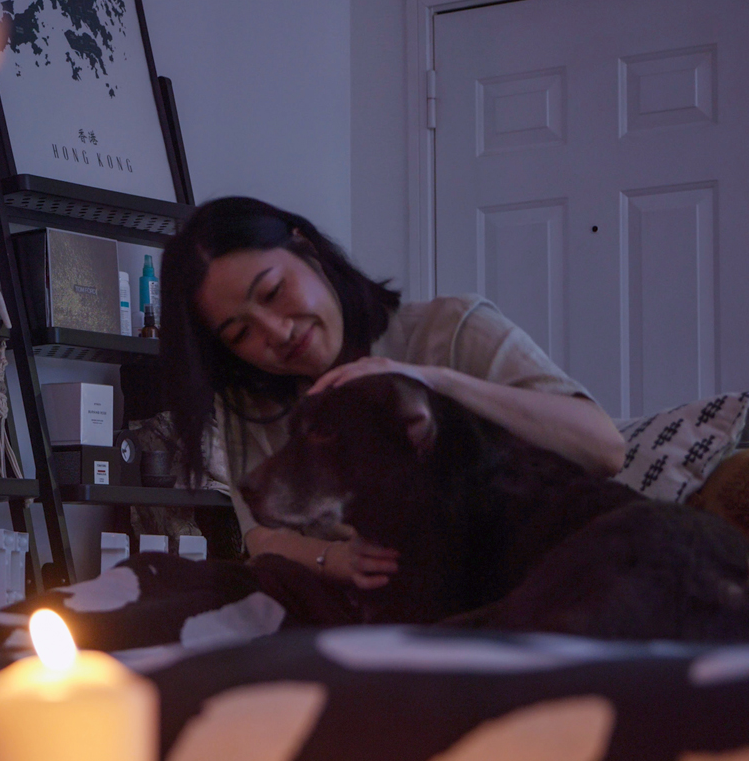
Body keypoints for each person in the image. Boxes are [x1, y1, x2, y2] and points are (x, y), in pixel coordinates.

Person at [159, 196, 626, 590]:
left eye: (274, 292)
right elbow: (261, 537)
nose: (277, 333)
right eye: (240, 334)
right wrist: (334, 559)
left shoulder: (451, 329)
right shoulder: (253, 403)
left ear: (306, 249)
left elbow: (605, 449)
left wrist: (433, 381)